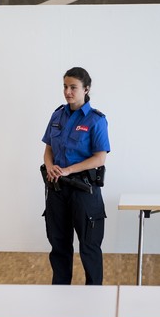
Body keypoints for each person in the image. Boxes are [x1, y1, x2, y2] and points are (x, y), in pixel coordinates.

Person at [41, 67, 110, 286]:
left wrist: (69, 170)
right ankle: (60, 302)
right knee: (59, 247)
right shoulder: (57, 114)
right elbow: (48, 148)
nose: (67, 92)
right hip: (57, 189)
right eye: (65, 86)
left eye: (73, 87)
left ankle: (94, 301)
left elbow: (100, 158)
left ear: (86, 89)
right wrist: (50, 166)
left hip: (84, 191)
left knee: (89, 248)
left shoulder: (96, 120)